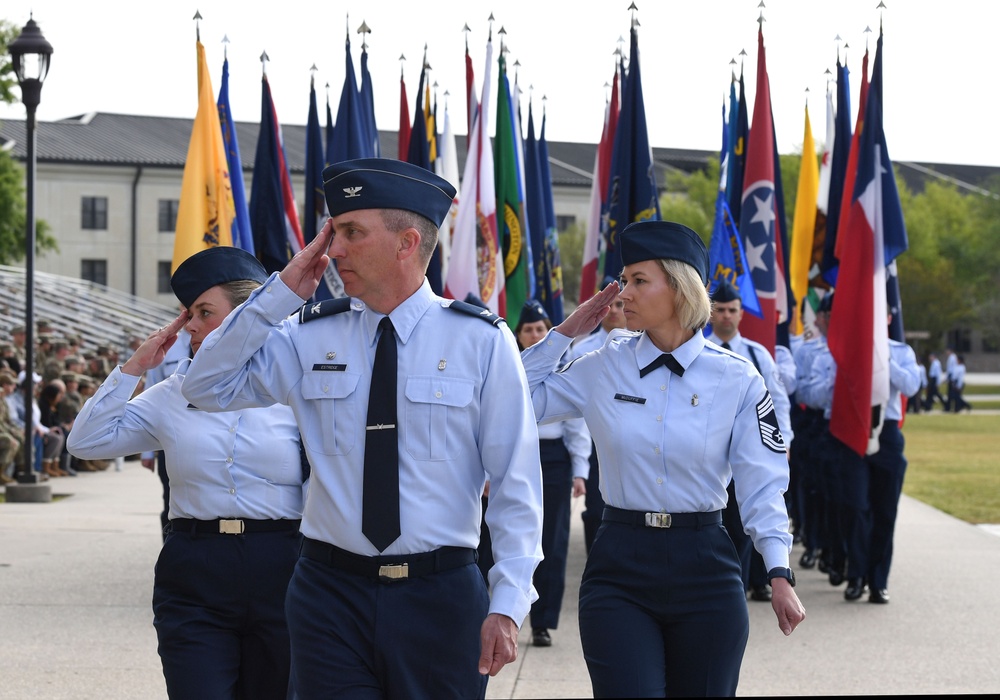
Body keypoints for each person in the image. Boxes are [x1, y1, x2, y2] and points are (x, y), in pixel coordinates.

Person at [181, 158, 544, 699]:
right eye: (333, 231)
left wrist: (509, 603)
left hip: (440, 595)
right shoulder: (305, 334)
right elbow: (205, 386)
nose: (334, 250)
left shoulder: (482, 342)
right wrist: (277, 296)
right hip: (329, 594)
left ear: (407, 242)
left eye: (351, 232)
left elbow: (516, 483)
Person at [520, 220, 805, 697]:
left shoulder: (737, 378)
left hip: (707, 567)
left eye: (637, 280)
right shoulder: (602, 366)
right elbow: (512, 400)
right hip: (619, 564)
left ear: (678, 288)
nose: (622, 293)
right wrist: (563, 335)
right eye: (623, 280)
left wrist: (778, 570)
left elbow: (762, 484)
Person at [67, 247, 306, 700]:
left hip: (283, 567)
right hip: (196, 570)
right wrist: (134, 367)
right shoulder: (170, 394)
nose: (190, 326)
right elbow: (86, 442)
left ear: (246, 318)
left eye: (203, 312)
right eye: (187, 313)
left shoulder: (297, 392)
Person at [707, 277, 794, 603]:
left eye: (732, 310)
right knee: (717, 529)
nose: (727, 316)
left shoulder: (757, 357)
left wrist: (782, 442)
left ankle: (739, 590)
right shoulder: (698, 350)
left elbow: (778, 403)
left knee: (746, 526)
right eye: (720, 310)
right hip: (712, 459)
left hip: (746, 457)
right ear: (710, 313)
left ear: (741, 313)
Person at [514, 300, 592, 649]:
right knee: (509, 538)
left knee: (553, 542)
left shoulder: (563, 369)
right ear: (518, 335)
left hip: (554, 460)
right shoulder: (509, 367)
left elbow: (576, 426)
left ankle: (542, 622)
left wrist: (580, 470)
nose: (534, 334)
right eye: (528, 329)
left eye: (541, 329)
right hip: (514, 454)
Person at [854, 312, 921, 603]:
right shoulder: (847, 347)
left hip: (887, 433)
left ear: (889, 317)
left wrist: (883, 359)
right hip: (854, 432)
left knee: (884, 512)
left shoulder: (901, 351)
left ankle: (877, 581)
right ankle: (855, 576)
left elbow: (911, 387)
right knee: (857, 508)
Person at [567, 277, 626, 555]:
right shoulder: (582, 350)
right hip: (594, 444)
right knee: (597, 513)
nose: (614, 310)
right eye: (608, 304)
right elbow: (573, 409)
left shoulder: (643, 347)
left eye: (618, 303)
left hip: (631, 442)